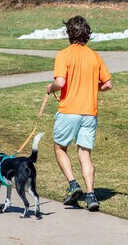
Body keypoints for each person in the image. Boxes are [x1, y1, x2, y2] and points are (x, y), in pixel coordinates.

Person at [46, 15, 113, 212]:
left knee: (60, 148)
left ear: (69, 33)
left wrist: (50, 89)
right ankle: (91, 195)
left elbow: (60, 83)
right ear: (87, 35)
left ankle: (73, 185)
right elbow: (108, 84)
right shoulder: (94, 56)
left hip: (69, 110)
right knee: (84, 153)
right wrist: (93, 87)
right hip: (89, 111)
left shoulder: (64, 54)